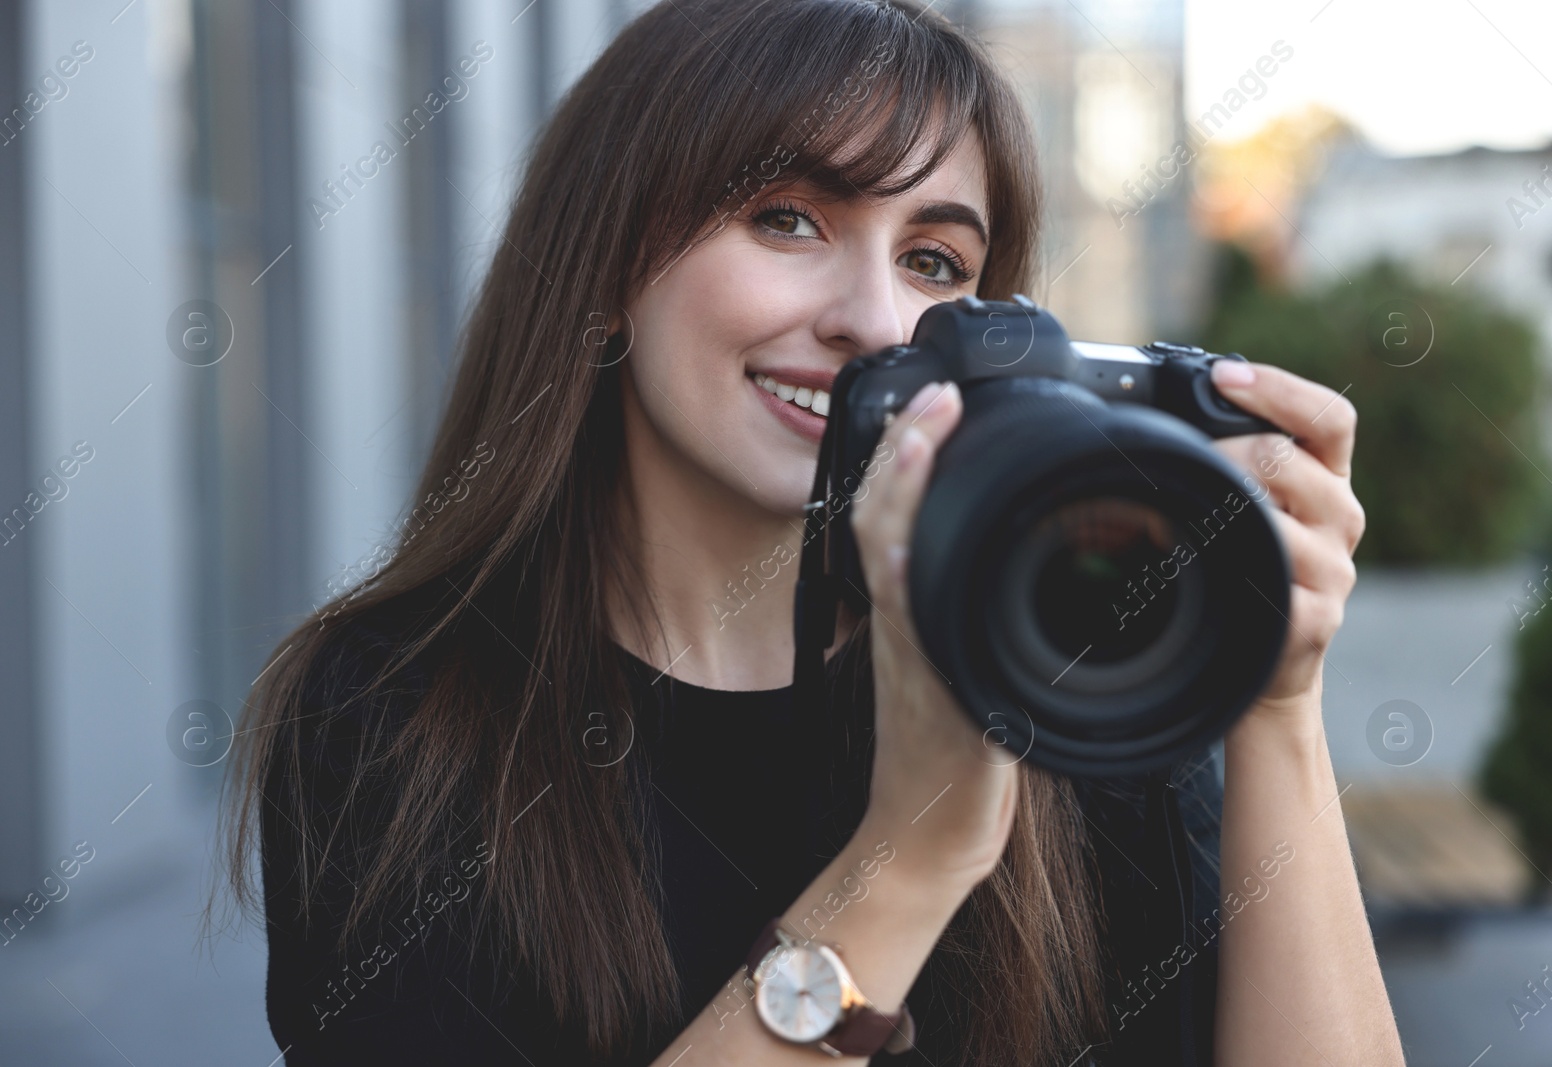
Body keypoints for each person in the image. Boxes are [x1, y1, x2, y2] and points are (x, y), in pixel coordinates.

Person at [217, 1, 1405, 1064]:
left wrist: (1272, 703)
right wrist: (915, 849)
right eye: (786, 218)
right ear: (606, 258)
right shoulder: (394, 712)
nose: (874, 320)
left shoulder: (1090, 649)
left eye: (935, 261)